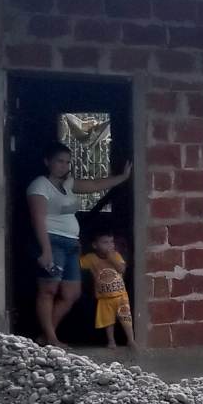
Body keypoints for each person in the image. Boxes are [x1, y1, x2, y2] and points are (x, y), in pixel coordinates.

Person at [27, 142, 131, 347]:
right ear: (47, 162)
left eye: (67, 162)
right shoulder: (39, 185)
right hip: (52, 241)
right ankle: (52, 338)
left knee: (72, 293)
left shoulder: (67, 184)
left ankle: (45, 337)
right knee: (48, 290)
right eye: (59, 161)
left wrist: (122, 178)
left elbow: (94, 185)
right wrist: (46, 250)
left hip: (71, 244)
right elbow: (37, 218)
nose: (64, 166)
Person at [79, 230, 136, 348]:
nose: (110, 245)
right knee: (108, 321)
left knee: (126, 318)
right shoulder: (91, 258)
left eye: (111, 242)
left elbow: (121, 269)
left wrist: (112, 258)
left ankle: (131, 340)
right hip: (104, 298)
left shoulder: (116, 255)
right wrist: (78, 248)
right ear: (95, 245)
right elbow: (79, 263)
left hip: (120, 295)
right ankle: (111, 341)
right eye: (105, 242)